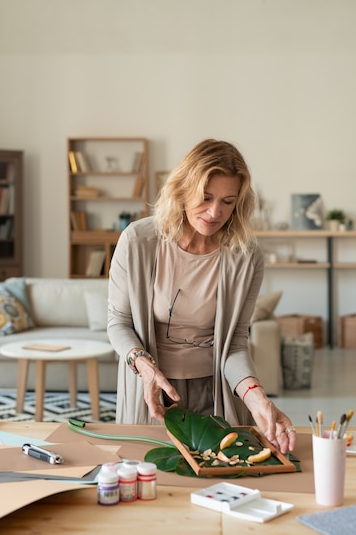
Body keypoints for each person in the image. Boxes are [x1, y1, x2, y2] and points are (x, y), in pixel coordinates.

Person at [107, 139, 296, 454]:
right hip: (152, 390)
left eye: (227, 201)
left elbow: (234, 341)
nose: (214, 212)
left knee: (218, 481)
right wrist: (144, 366)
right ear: (182, 190)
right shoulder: (139, 242)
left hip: (214, 390)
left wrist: (256, 397)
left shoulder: (245, 257)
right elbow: (118, 322)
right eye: (205, 198)